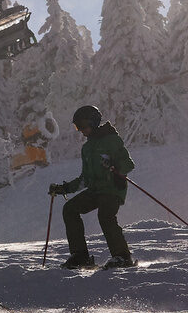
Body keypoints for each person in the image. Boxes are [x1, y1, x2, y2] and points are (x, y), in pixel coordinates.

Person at [47, 105, 137, 270]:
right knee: (70, 209)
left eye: (82, 124)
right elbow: (85, 179)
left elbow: (128, 164)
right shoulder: (87, 148)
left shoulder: (111, 140)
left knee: (105, 215)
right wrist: (64, 189)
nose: (81, 130)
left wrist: (115, 166)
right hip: (96, 190)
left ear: (93, 121)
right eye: (77, 126)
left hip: (112, 189)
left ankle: (122, 257)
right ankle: (80, 255)